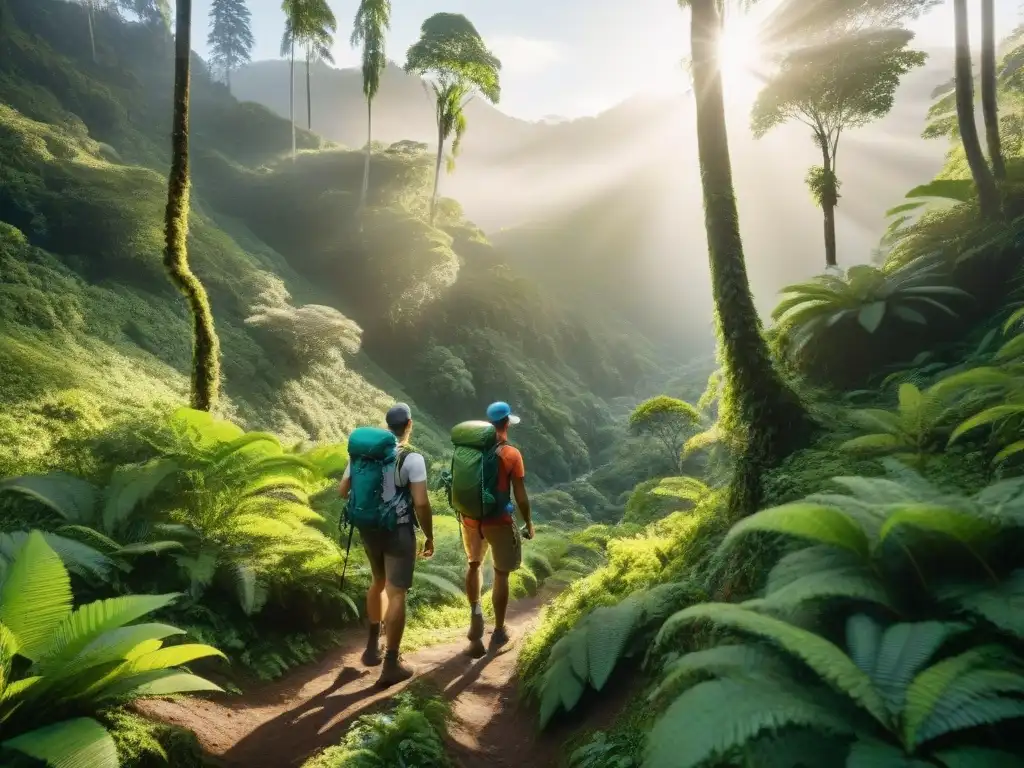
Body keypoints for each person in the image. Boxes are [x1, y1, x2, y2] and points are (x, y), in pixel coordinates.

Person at [339, 403, 434, 687]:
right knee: (396, 593)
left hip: (368, 528)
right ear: (409, 425)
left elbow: (342, 490)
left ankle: (371, 648)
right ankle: (391, 663)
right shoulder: (411, 458)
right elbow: (421, 503)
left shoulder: (364, 454)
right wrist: (429, 535)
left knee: (377, 581)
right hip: (398, 531)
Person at [462, 401, 534, 657]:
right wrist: (529, 522)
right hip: (499, 521)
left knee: (473, 564)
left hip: (470, 519)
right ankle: (500, 630)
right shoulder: (511, 454)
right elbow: (521, 496)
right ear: (506, 423)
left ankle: (476, 616)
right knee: (501, 574)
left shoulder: (469, 449)